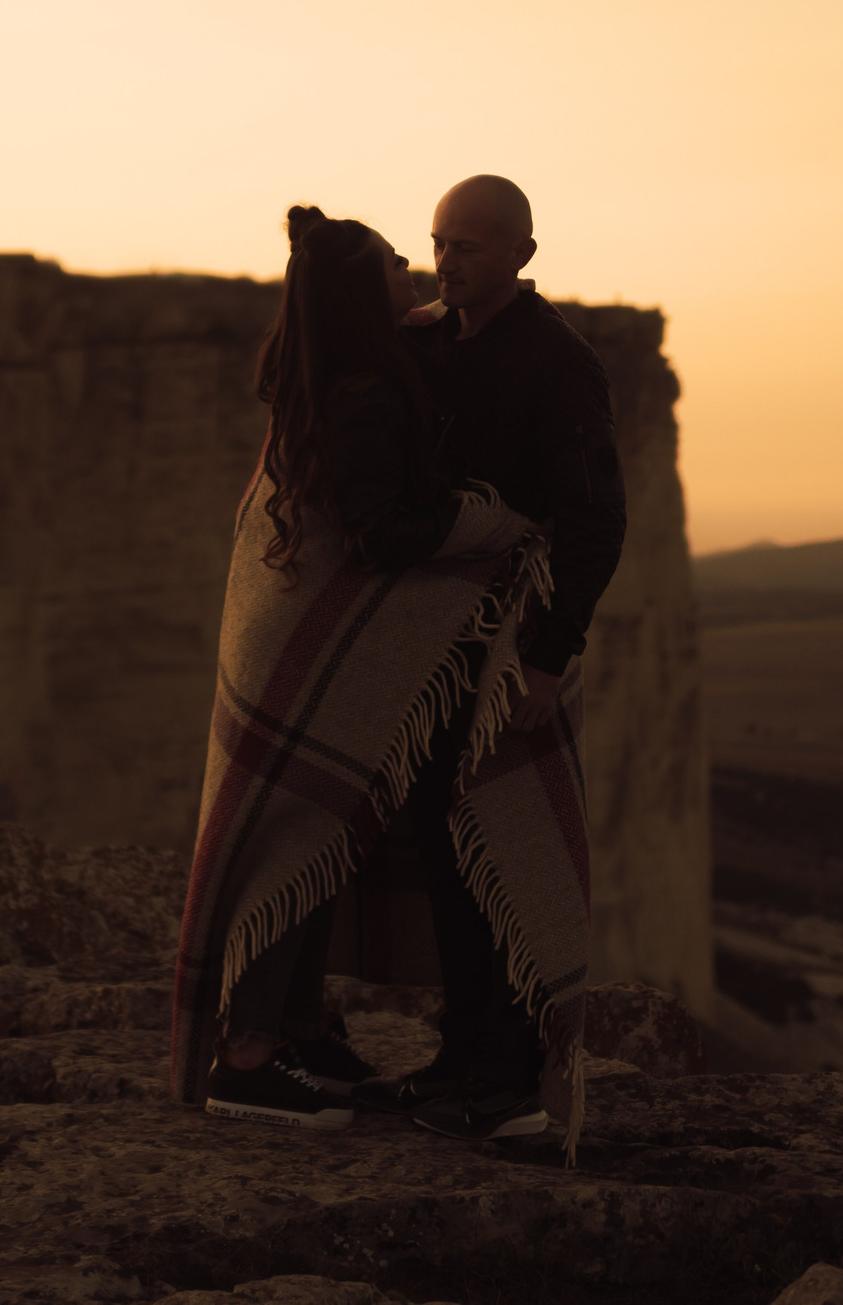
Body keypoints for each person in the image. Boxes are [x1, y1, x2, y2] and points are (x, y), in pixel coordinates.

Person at [170, 205, 563, 1134]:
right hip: (320, 644)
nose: (416, 266)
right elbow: (382, 533)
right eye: (397, 258)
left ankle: (297, 1030)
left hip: (287, 638)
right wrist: (487, 523)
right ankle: (251, 1057)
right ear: (362, 288)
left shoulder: (335, 370)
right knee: (296, 841)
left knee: (318, 839)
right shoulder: (367, 394)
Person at [356, 174, 626, 1142]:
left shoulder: (558, 365)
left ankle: (509, 1076)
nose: (445, 261)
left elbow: (593, 523)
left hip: (512, 649)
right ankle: (460, 1058)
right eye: (437, 243)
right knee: (442, 850)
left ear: (520, 254)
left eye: (466, 246)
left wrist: (548, 662)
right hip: (430, 650)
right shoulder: (426, 343)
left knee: (501, 853)